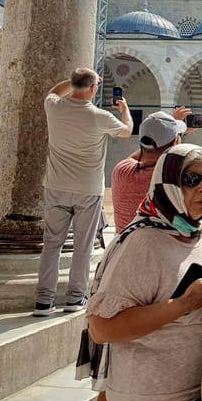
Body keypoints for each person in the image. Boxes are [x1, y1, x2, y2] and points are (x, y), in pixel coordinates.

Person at [87, 144, 202, 401]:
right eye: (191, 179)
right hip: (148, 400)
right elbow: (102, 328)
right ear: (168, 184)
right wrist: (185, 304)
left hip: (189, 392)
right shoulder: (143, 240)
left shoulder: (196, 231)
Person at [34, 68, 133, 316]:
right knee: (82, 246)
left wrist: (77, 81)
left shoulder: (53, 107)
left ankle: (43, 302)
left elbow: (54, 91)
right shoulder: (100, 117)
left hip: (56, 186)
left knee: (51, 245)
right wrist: (125, 111)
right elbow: (128, 131)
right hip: (88, 190)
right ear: (93, 88)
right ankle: (75, 299)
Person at [110, 109, 202, 233]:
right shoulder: (185, 175)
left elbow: (145, 151)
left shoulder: (121, 171)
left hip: (127, 251)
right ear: (176, 143)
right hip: (170, 256)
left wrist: (167, 132)